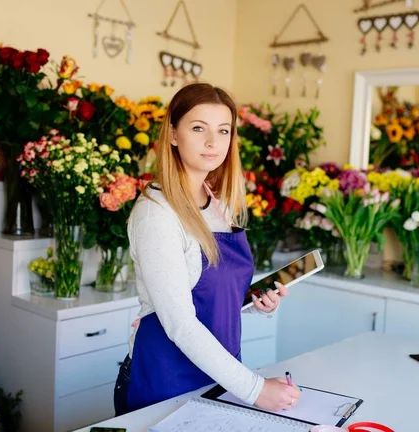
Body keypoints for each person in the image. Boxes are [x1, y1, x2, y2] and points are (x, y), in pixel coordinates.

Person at [113, 83, 301, 416]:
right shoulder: (157, 214)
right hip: (163, 379)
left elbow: (211, 299)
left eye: (223, 130)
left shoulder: (217, 206)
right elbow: (180, 324)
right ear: (173, 134)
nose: (213, 142)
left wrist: (257, 304)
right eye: (199, 128)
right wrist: (255, 390)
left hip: (215, 374)